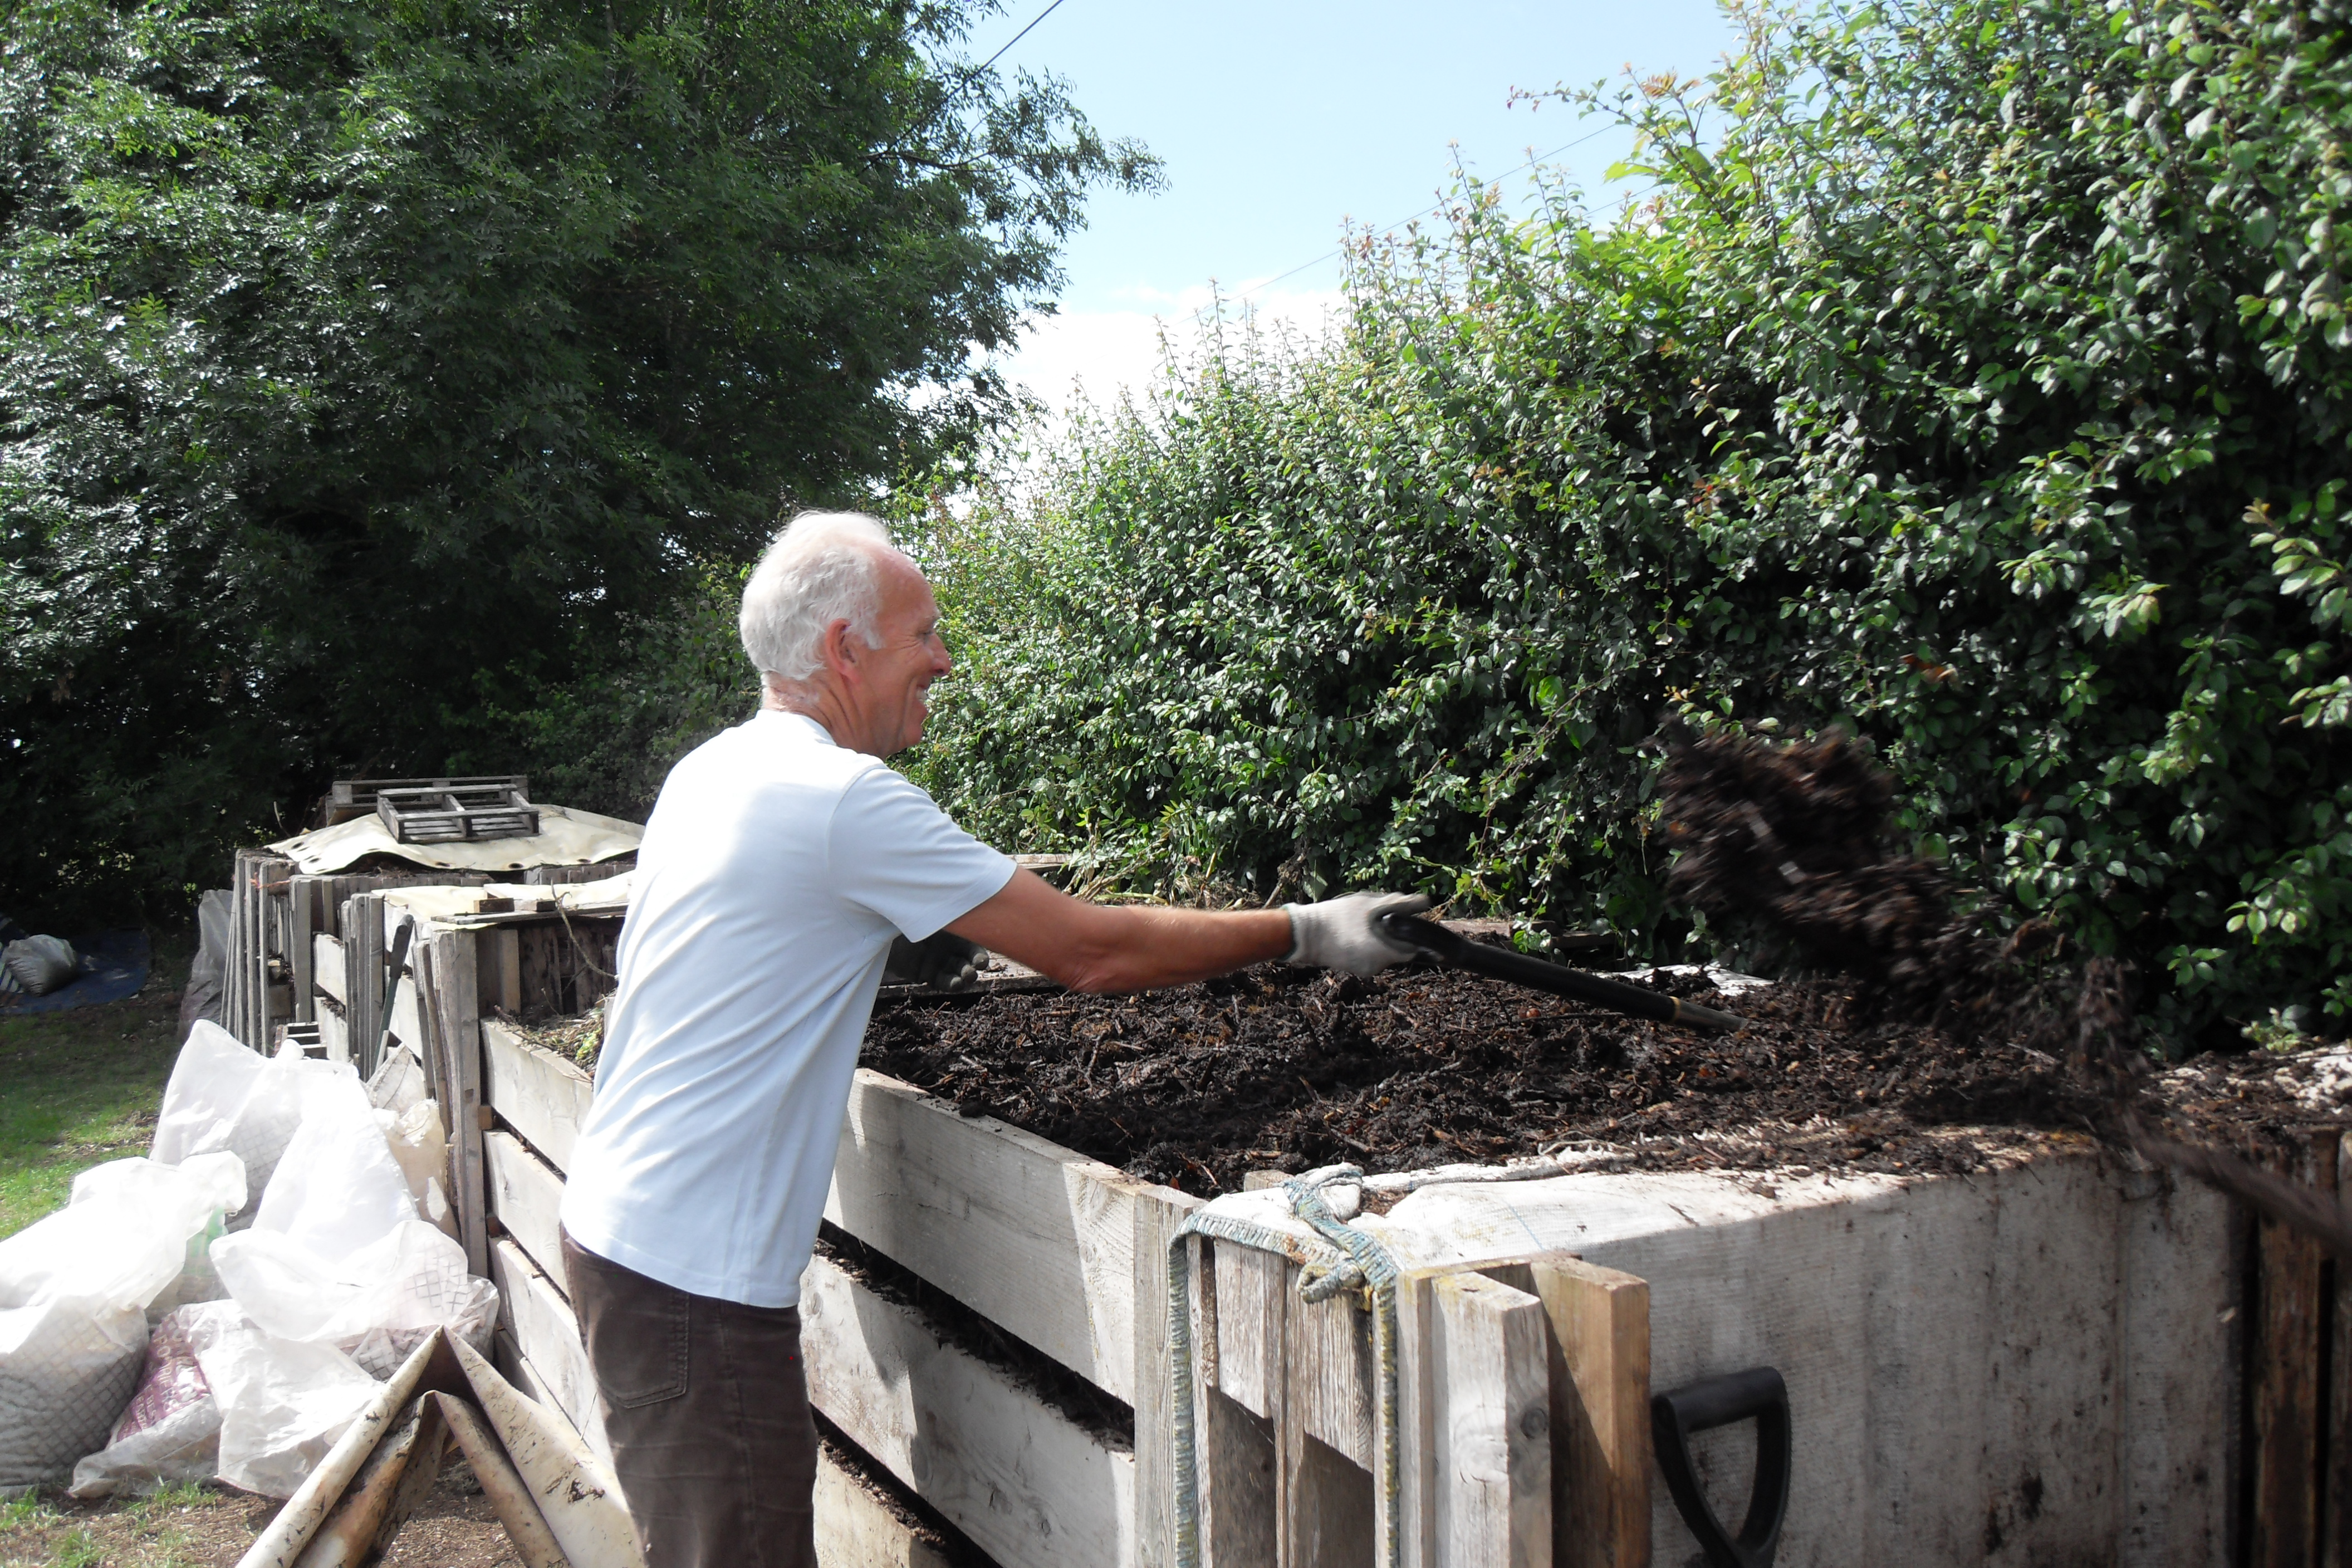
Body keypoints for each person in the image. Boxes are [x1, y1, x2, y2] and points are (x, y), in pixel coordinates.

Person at [557, 509, 1427, 1567]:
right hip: (692, 1280)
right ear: (845, 647)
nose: (944, 657)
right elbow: (1089, 951)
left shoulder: (713, 770)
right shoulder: (842, 802)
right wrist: (1308, 930)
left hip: (625, 1232)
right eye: (922, 632)